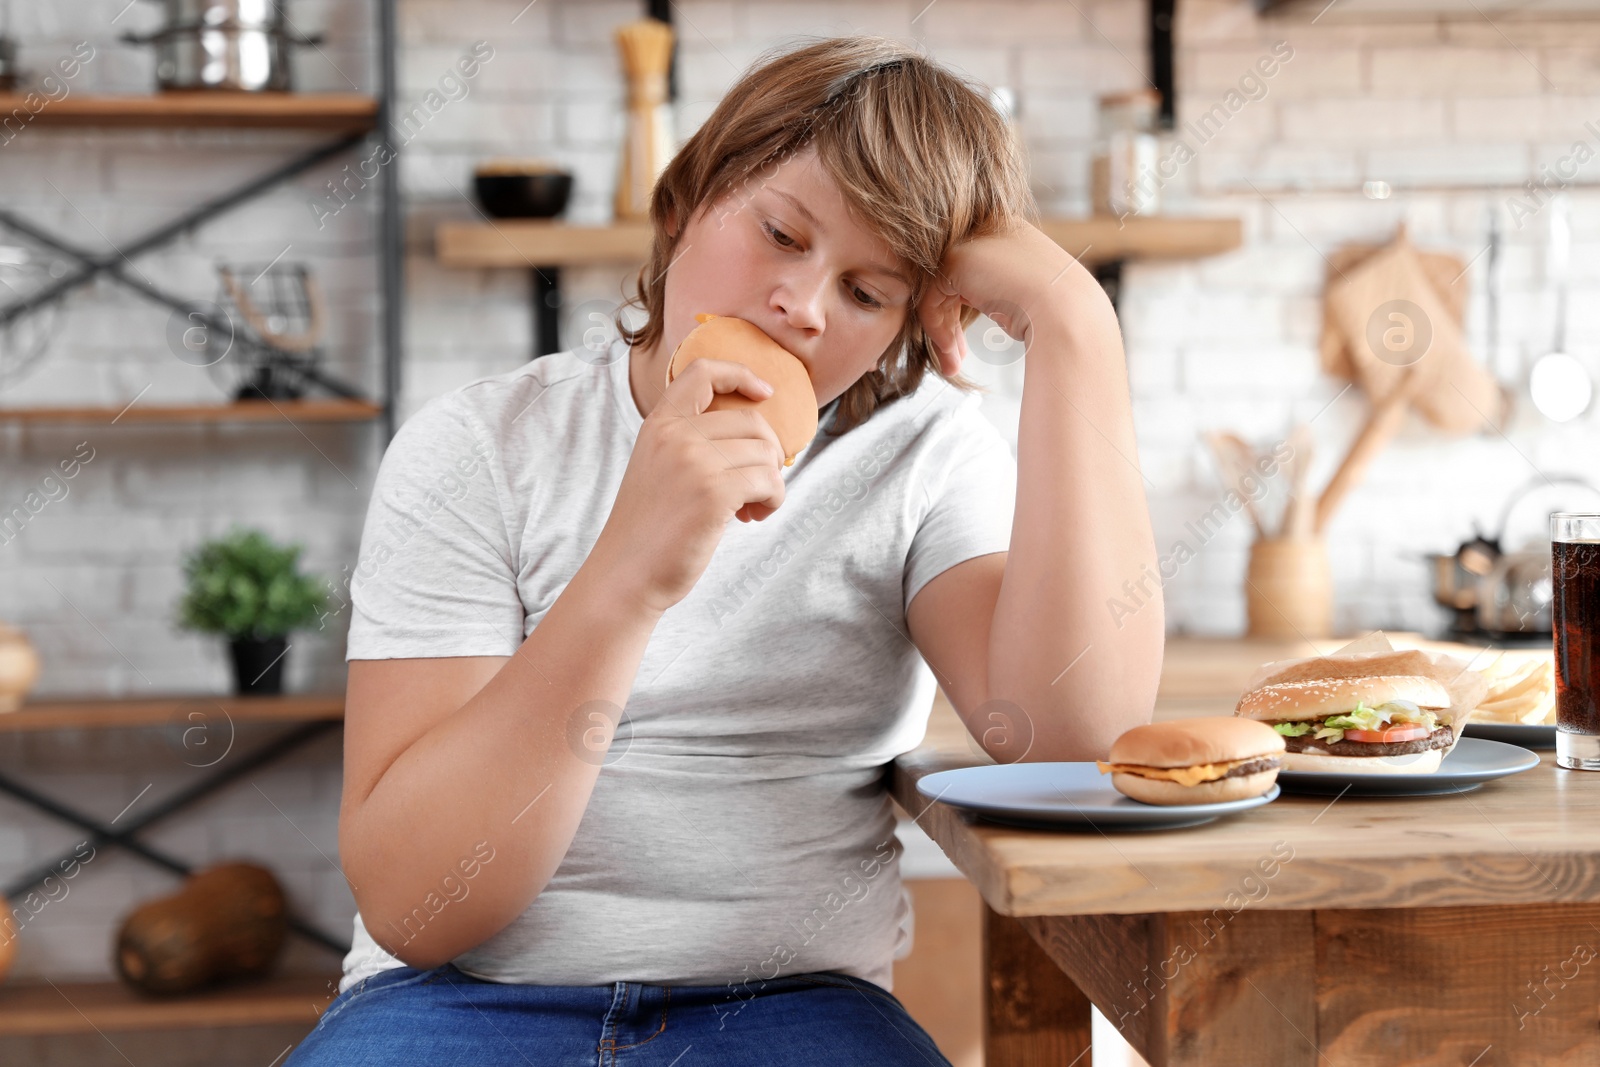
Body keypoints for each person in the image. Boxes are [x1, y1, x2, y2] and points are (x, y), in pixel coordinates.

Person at [286, 33, 1161, 1067]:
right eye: (782, 232)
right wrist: (631, 571)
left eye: (870, 293)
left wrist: (1074, 322)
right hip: (454, 1000)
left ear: (913, 328)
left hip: (794, 1004)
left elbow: (1073, 735)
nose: (803, 303)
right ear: (682, 204)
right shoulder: (477, 447)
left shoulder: (923, 453)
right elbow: (417, 905)